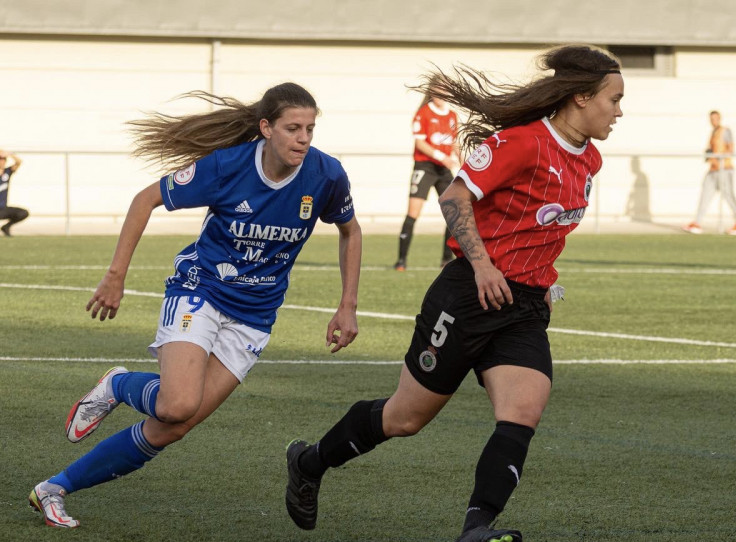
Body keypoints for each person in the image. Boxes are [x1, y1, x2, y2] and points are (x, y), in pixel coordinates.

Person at [285, 44, 624, 542]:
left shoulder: (590, 159)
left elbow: (541, 229)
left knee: (523, 411)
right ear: (579, 97)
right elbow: (455, 196)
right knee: (404, 419)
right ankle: (310, 462)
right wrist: (484, 266)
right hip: (468, 294)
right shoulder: (523, 143)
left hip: (524, 307)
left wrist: (545, 280)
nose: (619, 111)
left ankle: (476, 529)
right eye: (613, 99)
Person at [28, 82, 362, 528]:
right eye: (292, 128)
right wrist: (115, 275)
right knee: (175, 405)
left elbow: (350, 231)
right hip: (199, 290)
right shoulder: (226, 166)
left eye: (310, 129)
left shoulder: (326, 175)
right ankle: (120, 385)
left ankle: (53, 489)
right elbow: (145, 199)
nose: (303, 138)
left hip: (255, 316)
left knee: (174, 426)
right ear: (266, 128)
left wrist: (348, 306)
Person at [394, 82, 462, 271]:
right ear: (432, 94)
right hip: (425, 166)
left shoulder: (452, 116)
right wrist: (442, 157)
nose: (443, 97)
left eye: (446, 92)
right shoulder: (423, 113)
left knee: (454, 212)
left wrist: (465, 163)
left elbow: (455, 143)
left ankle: (446, 260)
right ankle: (401, 260)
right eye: (439, 93)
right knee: (413, 213)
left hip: (444, 170)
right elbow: (420, 143)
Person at [682, 111, 736, 235]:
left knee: (729, 195)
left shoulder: (725, 131)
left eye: (715, 118)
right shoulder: (713, 132)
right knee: (705, 194)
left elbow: (730, 149)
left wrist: (719, 157)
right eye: (711, 119)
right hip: (712, 169)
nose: (713, 121)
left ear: (720, 118)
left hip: (724, 169)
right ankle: (697, 222)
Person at [0, 150, 28, 236]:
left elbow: (19, 162)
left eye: (4, 159)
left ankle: (6, 227)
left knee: (23, 213)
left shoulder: (7, 172)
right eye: (0, 159)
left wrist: (9, 154)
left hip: (2, 209)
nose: (2, 161)